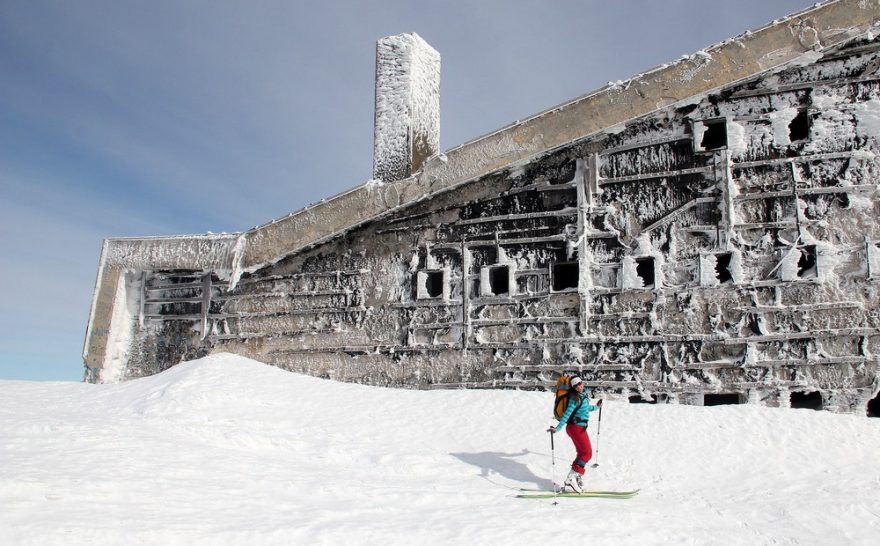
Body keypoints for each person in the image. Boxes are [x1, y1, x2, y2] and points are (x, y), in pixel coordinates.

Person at [547, 376, 602, 493]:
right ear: (573, 387)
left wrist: (597, 407)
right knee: (587, 453)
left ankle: (571, 480)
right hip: (575, 428)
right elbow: (567, 414)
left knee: (582, 453)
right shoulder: (574, 398)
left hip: (579, 428)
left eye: (580, 383)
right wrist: (557, 428)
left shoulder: (582, 397)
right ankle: (572, 478)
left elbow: (586, 408)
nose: (579, 386)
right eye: (576, 385)